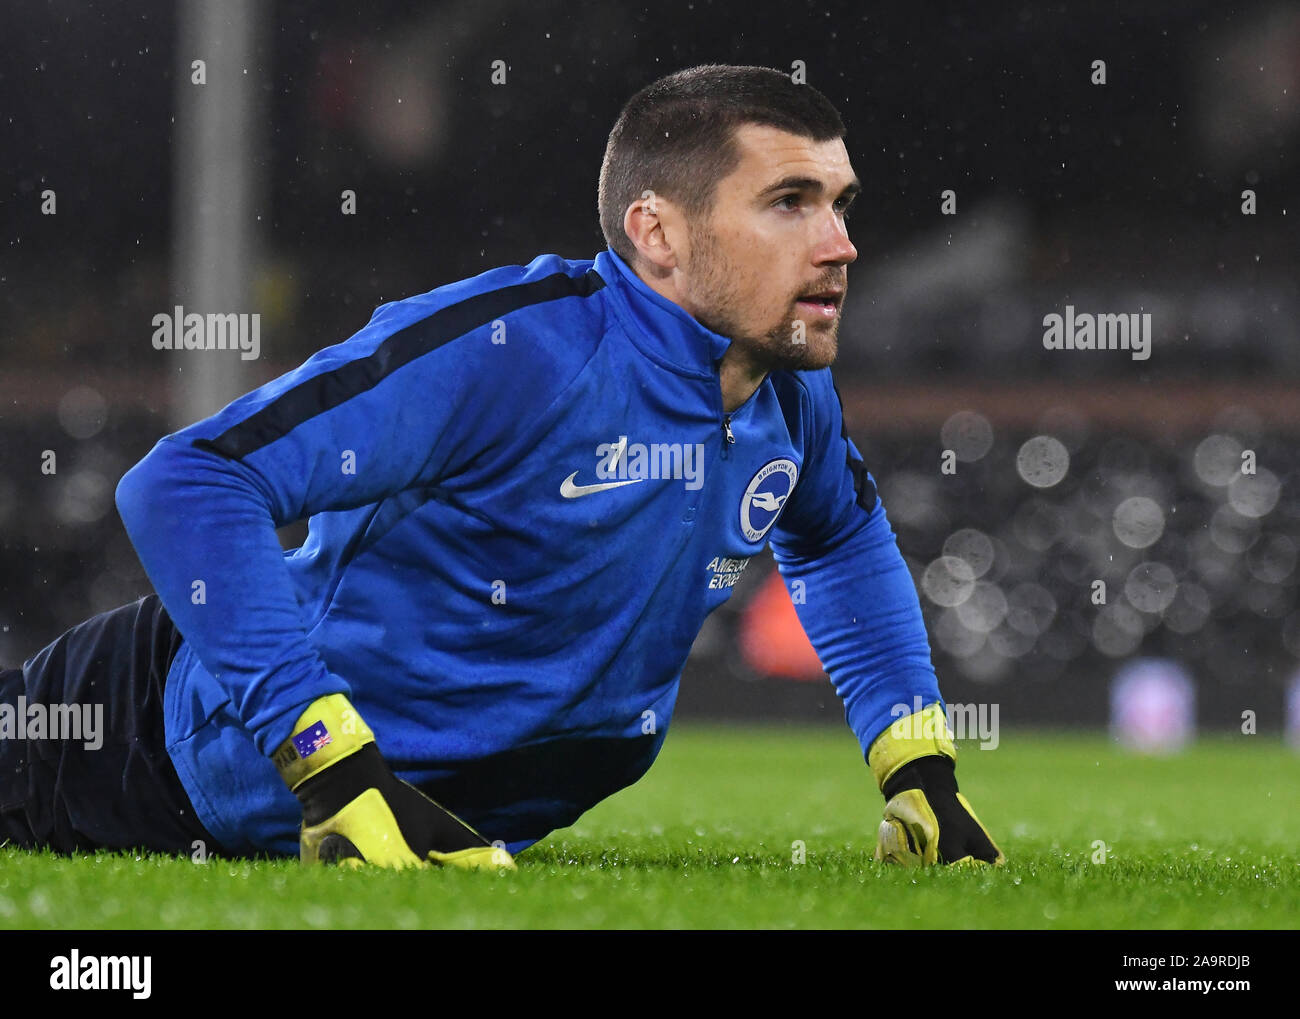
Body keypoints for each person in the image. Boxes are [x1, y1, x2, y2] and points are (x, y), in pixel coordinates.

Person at [1, 63, 1003, 870]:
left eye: (840, 202)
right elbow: (184, 480)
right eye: (791, 201)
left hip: (442, 814)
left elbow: (838, 537)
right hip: (138, 740)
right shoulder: (514, 351)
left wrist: (917, 765)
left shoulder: (789, 390)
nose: (842, 242)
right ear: (656, 231)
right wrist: (334, 770)